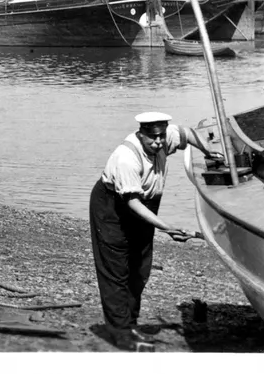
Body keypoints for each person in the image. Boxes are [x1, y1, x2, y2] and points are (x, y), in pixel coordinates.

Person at [89, 111, 222, 350]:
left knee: (140, 266)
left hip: (146, 203)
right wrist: (167, 228)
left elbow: (189, 133)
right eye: (152, 138)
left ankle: (130, 322)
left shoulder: (164, 137)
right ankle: (120, 332)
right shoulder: (126, 158)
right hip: (114, 206)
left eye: (161, 136)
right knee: (116, 268)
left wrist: (208, 150)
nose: (158, 142)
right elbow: (131, 203)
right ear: (141, 134)